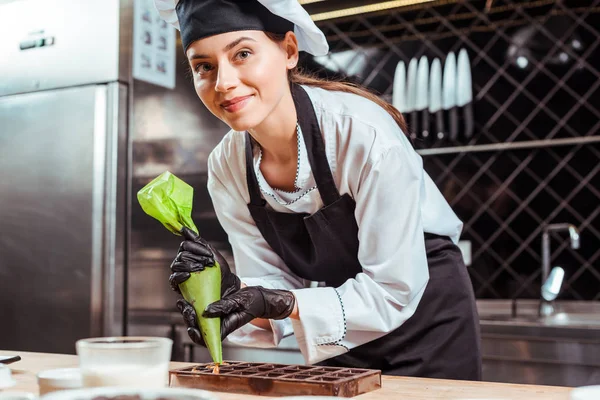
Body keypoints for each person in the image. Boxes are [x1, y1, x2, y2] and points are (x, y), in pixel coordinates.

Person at [156, 0, 482, 380]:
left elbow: (394, 290)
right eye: (204, 67)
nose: (223, 82)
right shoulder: (226, 166)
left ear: (289, 51)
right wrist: (229, 296)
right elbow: (272, 287)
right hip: (343, 330)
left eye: (242, 53)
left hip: (428, 318)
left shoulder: (364, 135)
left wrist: (281, 302)